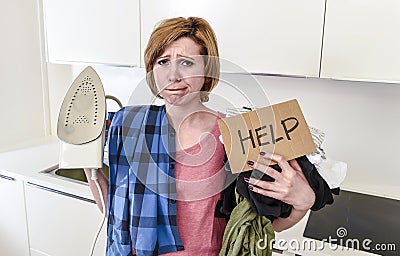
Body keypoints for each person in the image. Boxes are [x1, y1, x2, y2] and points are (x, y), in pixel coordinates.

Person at [85, 17, 316, 256]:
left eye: (186, 63)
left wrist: (303, 204)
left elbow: (255, 228)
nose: (173, 75)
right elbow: (116, 213)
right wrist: (84, 159)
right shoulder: (131, 126)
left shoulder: (233, 134)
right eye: (163, 61)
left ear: (206, 70)